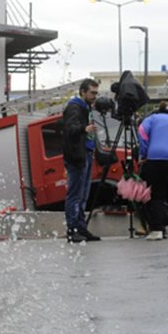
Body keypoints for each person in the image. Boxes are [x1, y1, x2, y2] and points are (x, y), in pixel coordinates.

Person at [137, 101, 168, 241]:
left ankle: (157, 229)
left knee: (156, 195)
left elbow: (141, 132)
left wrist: (144, 153)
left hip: (156, 158)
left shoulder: (152, 119)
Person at [62, 79, 101, 243]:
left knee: (83, 194)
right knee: (75, 194)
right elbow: (69, 128)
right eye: (92, 93)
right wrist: (84, 129)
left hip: (85, 153)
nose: (95, 96)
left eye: (96, 93)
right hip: (78, 155)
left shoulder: (84, 108)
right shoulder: (75, 107)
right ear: (83, 91)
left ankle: (80, 227)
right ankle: (73, 229)